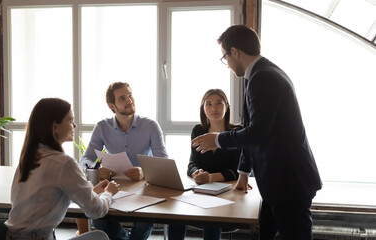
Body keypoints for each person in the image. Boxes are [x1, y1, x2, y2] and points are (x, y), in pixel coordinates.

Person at [191, 25, 322, 240]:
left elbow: (257, 133)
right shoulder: (258, 74)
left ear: (235, 52)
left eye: (225, 57)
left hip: (288, 180)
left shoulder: (264, 78)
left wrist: (217, 139)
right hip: (277, 179)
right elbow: (250, 129)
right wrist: (243, 173)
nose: (228, 65)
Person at [5, 98, 120, 240]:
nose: (75, 125)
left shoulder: (29, 157)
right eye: (70, 121)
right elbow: (96, 211)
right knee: (100, 236)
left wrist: (91, 193)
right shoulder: (64, 164)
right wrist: (109, 193)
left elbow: (49, 196)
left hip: (13, 237)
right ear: (55, 127)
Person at [78, 82, 168, 240]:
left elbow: (163, 161)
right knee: (99, 218)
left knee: (145, 220)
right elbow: (86, 159)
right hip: (114, 187)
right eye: (123, 98)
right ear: (112, 106)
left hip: (143, 188)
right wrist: (95, 169)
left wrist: (144, 171)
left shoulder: (151, 126)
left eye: (130, 95)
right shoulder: (102, 127)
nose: (130, 100)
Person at [168, 89, 242, 240]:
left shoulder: (236, 132)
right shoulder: (198, 130)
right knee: (175, 215)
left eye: (219, 103)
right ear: (203, 108)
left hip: (230, 195)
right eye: (208, 104)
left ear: (227, 107)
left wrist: (210, 177)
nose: (214, 108)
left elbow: (238, 170)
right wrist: (197, 173)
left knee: (211, 219)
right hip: (201, 192)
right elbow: (191, 164)